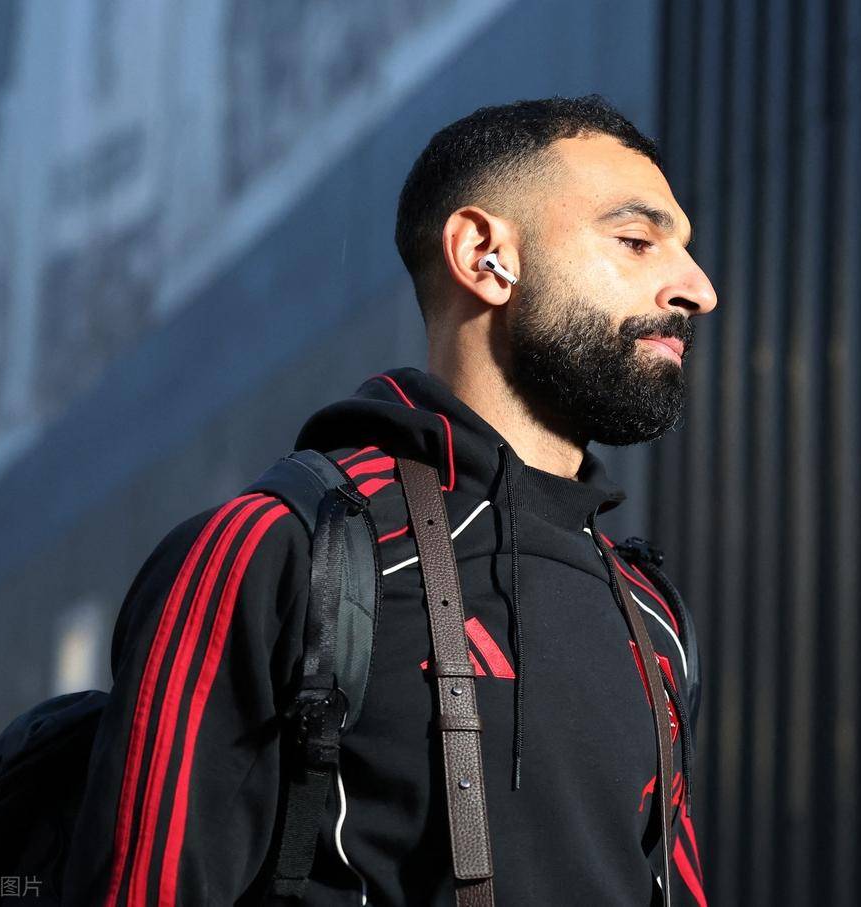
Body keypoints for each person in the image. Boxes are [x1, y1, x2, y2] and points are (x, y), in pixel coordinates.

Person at [62, 94, 717, 906]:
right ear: (485, 255)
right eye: (637, 241)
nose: (698, 288)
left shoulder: (654, 617)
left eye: (683, 251)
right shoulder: (281, 549)